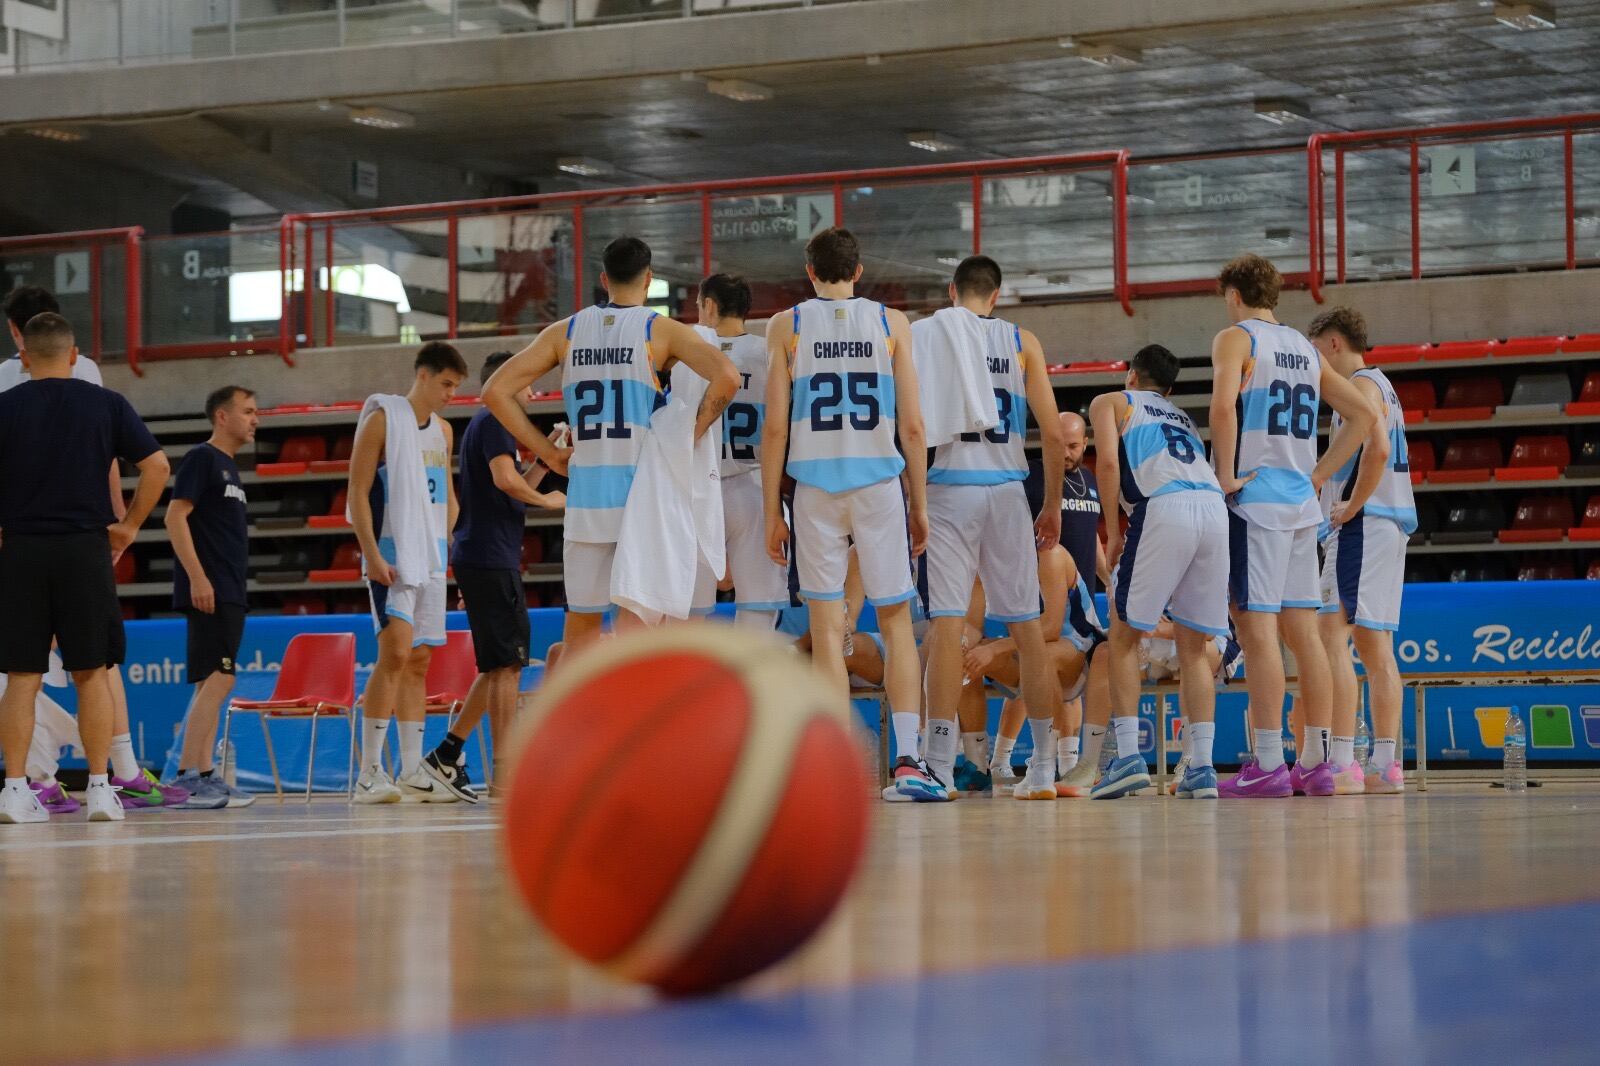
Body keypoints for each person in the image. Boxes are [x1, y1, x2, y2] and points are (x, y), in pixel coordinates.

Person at [482, 237, 737, 651]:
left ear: (603, 279)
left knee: (580, 631)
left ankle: (573, 717)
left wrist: (547, 453)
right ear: (650, 279)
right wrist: (688, 435)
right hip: (641, 500)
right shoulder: (659, 330)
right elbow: (728, 376)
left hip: (587, 498)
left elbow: (495, 391)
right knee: (638, 631)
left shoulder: (563, 332)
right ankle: (639, 715)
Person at [760, 227, 939, 802]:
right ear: (859, 272)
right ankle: (909, 762)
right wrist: (920, 503)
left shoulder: (786, 326)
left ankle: (836, 767)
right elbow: (912, 426)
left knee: (827, 628)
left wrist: (772, 512)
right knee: (894, 625)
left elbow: (775, 429)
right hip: (879, 483)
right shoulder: (893, 324)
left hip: (813, 488)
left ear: (808, 273)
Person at [1208, 254, 1377, 799]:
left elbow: (1222, 409)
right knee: (1305, 638)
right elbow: (1364, 418)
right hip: (1302, 509)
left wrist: (1225, 475)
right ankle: (1316, 762)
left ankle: (1266, 763)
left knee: (1257, 634)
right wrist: (1318, 474)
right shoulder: (1305, 348)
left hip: (1257, 504)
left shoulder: (1236, 338)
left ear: (1235, 294)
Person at [0, 313, 169, 824]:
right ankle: (99, 789)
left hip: (22, 551)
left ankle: (13, 790)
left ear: (23, 357)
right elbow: (157, 466)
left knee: (22, 676)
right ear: (74, 356)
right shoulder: (106, 403)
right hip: (84, 548)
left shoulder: (4, 407)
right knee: (91, 672)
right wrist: (130, 526)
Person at [918, 255, 1066, 802]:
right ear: (997, 295)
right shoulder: (1022, 341)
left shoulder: (929, 333)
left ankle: (936, 765)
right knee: (1028, 630)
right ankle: (1047, 764)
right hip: (1007, 489)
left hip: (952, 486)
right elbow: (1052, 435)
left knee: (947, 626)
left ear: (952, 291)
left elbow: (912, 424)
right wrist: (1050, 504)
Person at [1088, 344, 1232, 799]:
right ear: (1169, 389)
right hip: (1213, 509)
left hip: (1162, 506)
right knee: (1195, 645)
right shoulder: (1184, 419)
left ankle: (1129, 757)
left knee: (1124, 634)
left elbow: (1108, 463)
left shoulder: (1112, 402)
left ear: (1131, 374)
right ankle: (1202, 767)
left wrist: (1113, 530)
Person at [426, 352, 565, 802]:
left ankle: (447, 754)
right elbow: (507, 481)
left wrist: (544, 463)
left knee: (498, 662)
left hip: (485, 554)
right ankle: (505, 776)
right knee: (507, 665)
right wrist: (551, 502)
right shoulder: (495, 420)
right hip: (488, 555)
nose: (532, 390)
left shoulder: (489, 424)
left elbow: (510, 484)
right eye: (526, 382)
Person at [348, 341, 468, 804]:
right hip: (393, 552)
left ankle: (412, 769)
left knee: (420, 661)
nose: (451, 394)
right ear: (422, 376)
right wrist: (371, 553)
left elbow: (447, 493)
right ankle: (368, 772)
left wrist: (449, 533)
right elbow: (358, 492)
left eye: (456, 387)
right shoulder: (382, 419)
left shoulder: (444, 431)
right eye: (446, 384)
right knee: (394, 654)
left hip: (433, 554)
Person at [1307, 306, 1413, 794]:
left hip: (1367, 525)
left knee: (1331, 634)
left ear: (1332, 345)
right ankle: (1387, 765)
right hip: (1390, 524)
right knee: (1376, 648)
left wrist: (1349, 504)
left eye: (1314, 350)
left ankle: (1345, 760)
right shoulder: (1384, 384)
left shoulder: (1364, 387)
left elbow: (1380, 451)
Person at [165, 385, 260, 809]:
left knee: (211, 680)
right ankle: (187, 776)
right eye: (248, 411)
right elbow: (174, 516)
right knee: (222, 678)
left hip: (229, 589)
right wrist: (198, 578)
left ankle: (204, 775)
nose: (255, 419)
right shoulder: (203, 459)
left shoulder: (230, 469)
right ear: (222, 416)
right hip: (211, 589)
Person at [962, 543, 1107, 798]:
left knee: (1039, 656)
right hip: (1028, 649)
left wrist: (995, 650)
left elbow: (1051, 628)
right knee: (965, 656)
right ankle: (975, 764)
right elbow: (973, 625)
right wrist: (964, 645)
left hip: (1078, 648)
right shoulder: (989, 559)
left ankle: (1044, 764)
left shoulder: (1050, 555)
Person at [696, 274, 790, 630]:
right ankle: (750, 684)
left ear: (710, 306)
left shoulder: (688, 351)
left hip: (699, 486)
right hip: (755, 485)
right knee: (759, 606)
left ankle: (691, 685)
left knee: (689, 610)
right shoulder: (767, 352)